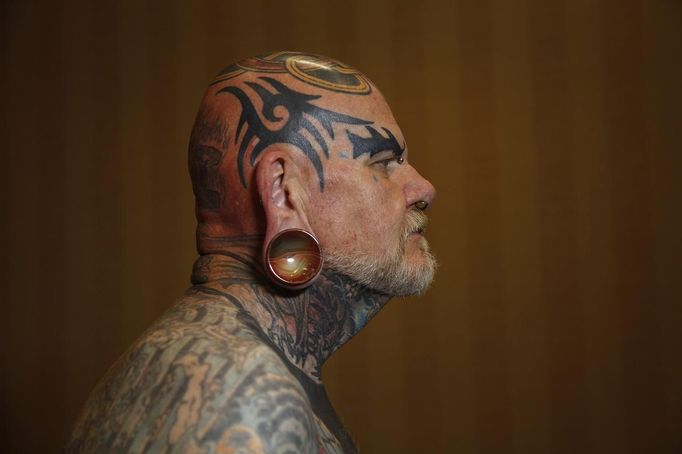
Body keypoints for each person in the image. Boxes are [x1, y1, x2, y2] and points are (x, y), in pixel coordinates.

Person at [67, 51, 437, 453]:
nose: (423, 189)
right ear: (282, 191)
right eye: (382, 161)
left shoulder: (231, 367)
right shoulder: (239, 392)